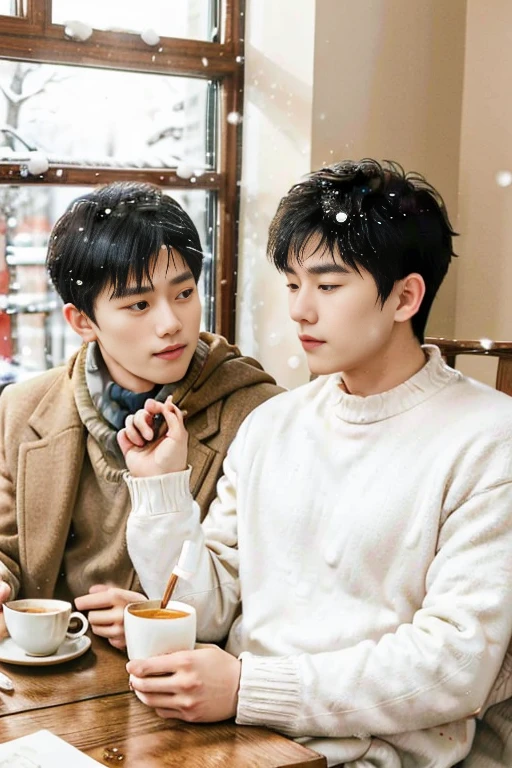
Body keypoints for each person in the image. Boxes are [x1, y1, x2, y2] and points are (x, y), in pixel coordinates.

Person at [119, 160, 512, 768]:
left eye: (327, 287)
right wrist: (161, 491)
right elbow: (209, 608)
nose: (300, 311)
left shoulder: (490, 438)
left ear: (406, 296)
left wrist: (249, 688)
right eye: (293, 285)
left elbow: (455, 663)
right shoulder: (274, 424)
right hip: (236, 738)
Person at [0, 181, 282, 647]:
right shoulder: (23, 407)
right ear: (83, 322)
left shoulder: (255, 414)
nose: (171, 322)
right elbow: (8, 546)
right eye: (139, 304)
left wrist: (156, 616)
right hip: (49, 671)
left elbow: (261, 591)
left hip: (178, 687)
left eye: (185, 293)